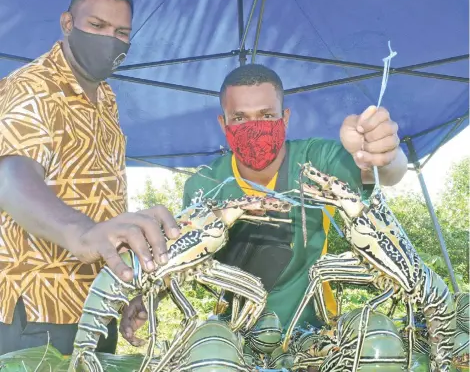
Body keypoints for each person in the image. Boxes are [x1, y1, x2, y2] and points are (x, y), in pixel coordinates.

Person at [120, 63, 408, 347]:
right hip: (234, 338)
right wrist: (146, 295)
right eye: (240, 118)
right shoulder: (203, 185)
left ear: (284, 118)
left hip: (313, 333)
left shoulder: (316, 160)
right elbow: (184, 257)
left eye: (266, 115)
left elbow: (383, 173)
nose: (254, 127)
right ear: (224, 124)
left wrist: (383, 153)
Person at [0, 0, 179, 356]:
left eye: (121, 32)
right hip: (37, 313)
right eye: (97, 26)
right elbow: (11, 173)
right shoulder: (32, 87)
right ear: (68, 23)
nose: (109, 40)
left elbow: (104, 208)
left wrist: (125, 285)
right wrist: (82, 234)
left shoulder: (106, 99)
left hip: (95, 309)